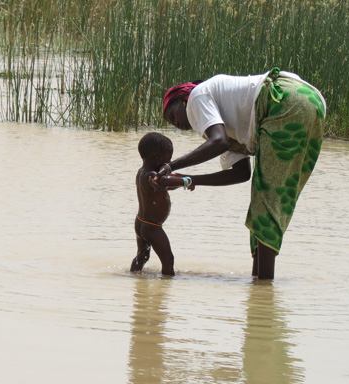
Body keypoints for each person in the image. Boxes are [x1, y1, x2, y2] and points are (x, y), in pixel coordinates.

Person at [160, 68, 325, 280]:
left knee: (266, 201)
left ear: (183, 100)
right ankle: (259, 288)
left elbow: (217, 143)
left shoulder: (197, 96)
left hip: (285, 101)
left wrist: (170, 167)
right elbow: (241, 174)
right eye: (172, 124)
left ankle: (264, 286)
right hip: (310, 101)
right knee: (270, 197)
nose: (178, 125)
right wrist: (187, 180)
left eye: (173, 115)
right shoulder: (221, 124)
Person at [130, 132, 194, 275]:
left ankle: (134, 278)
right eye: (168, 159)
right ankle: (165, 290)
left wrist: (179, 181)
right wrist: (187, 181)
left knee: (142, 256)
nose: (169, 163)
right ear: (158, 158)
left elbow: (167, 184)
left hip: (140, 222)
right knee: (168, 260)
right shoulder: (152, 176)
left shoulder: (142, 172)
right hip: (152, 227)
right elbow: (163, 182)